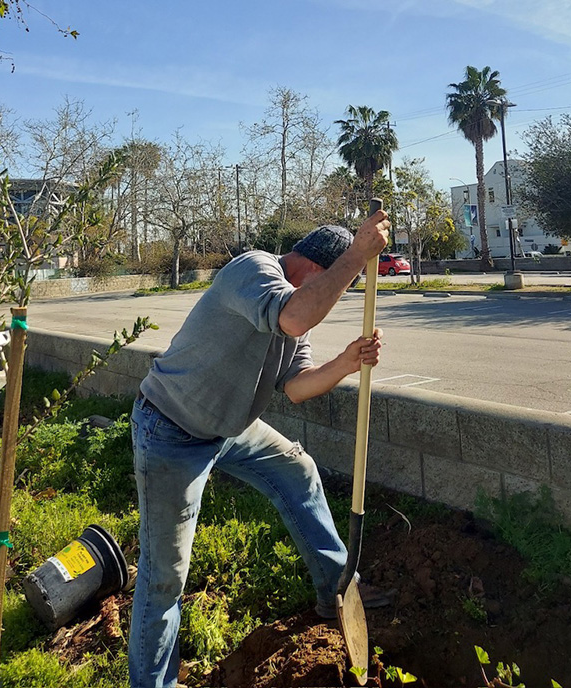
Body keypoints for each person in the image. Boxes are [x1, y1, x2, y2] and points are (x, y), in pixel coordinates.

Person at [129, 212, 391, 688]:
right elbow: (293, 317)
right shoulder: (253, 270)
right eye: (341, 284)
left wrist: (347, 362)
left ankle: (335, 589)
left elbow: (295, 387)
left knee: (298, 470)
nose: (341, 296)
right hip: (171, 431)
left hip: (227, 428)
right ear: (316, 269)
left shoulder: (297, 304)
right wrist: (357, 256)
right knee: (164, 576)